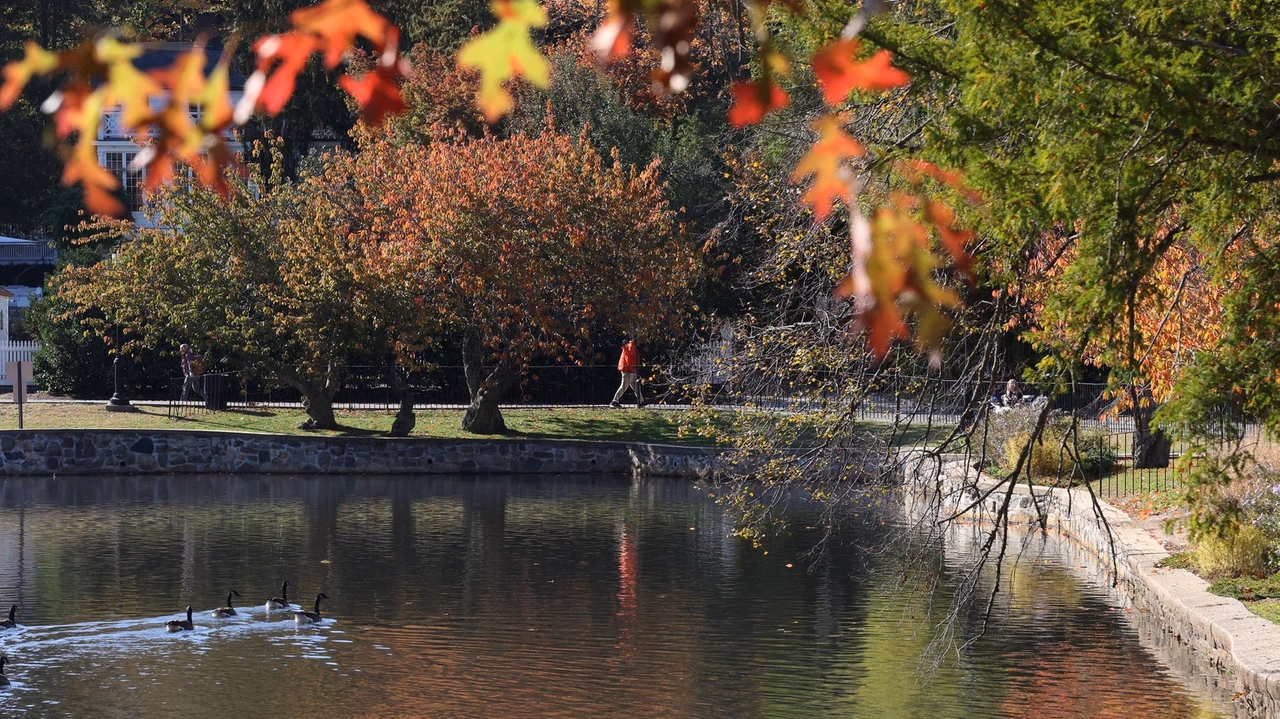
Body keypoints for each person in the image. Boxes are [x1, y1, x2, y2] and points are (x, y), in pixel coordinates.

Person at [610, 338, 646, 408]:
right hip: (628, 370)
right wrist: (634, 369)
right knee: (624, 387)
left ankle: (641, 401)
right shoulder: (630, 346)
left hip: (629, 370)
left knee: (636, 387)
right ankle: (614, 401)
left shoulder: (630, 346)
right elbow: (629, 359)